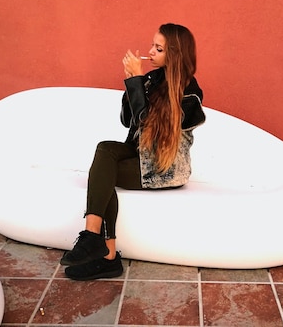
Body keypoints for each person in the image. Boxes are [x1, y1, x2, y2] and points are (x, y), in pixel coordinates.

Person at [61, 23, 206, 280]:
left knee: (106, 174)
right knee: (104, 149)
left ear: (174, 54)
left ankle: (104, 252)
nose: (150, 52)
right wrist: (133, 83)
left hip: (164, 167)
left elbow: (150, 122)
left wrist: (135, 81)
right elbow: (129, 120)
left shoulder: (189, 92)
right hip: (140, 154)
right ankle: (94, 239)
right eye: (152, 45)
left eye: (158, 48)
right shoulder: (152, 79)